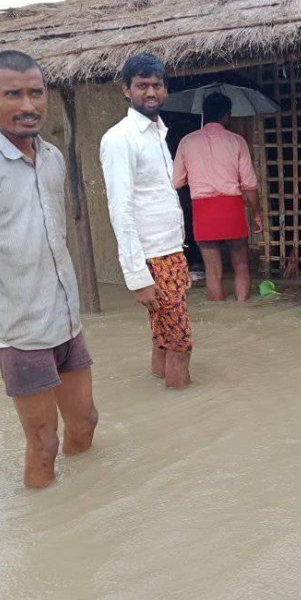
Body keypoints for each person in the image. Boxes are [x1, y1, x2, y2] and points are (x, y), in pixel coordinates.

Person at [0, 50, 98, 489]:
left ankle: (82, 515)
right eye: (14, 94)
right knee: (44, 444)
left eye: (36, 92)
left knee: (85, 424)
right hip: (20, 335)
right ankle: (43, 528)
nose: (28, 105)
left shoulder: (51, 158)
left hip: (66, 323)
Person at [100, 53, 192, 389]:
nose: (150, 92)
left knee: (164, 336)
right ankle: (185, 411)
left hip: (170, 250)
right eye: (142, 86)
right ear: (126, 89)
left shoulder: (157, 134)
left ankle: (163, 409)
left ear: (165, 89)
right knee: (181, 344)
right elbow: (120, 209)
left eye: (156, 85)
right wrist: (138, 276)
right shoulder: (120, 138)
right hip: (153, 257)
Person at [173, 93, 263, 301]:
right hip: (231, 207)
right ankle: (243, 310)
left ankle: (219, 315)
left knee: (213, 273)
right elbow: (249, 184)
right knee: (241, 266)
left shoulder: (187, 142)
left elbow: (177, 182)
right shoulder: (237, 141)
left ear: (204, 113)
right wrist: (257, 214)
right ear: (227, 116)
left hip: (203, 210)